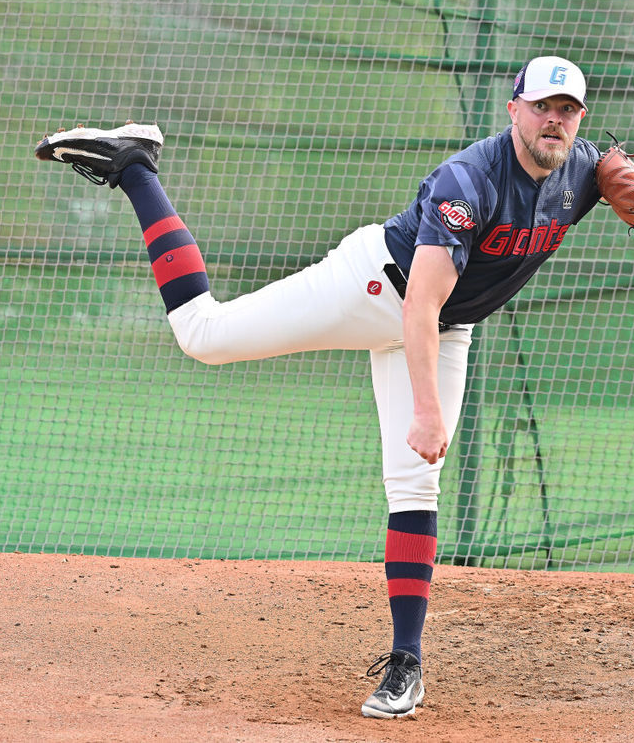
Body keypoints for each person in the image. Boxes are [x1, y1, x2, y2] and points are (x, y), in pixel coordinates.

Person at [36, 56, 603, 719]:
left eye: (566, 109)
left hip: (449, 324)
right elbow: (418, 305)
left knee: (417, 483)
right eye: (541, 106)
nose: (553, 119)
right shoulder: (470, 180)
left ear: (579, 119)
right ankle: (134, 164)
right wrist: (425, 411)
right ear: (514, 110)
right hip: (376, 288)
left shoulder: (585, 168)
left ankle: (405, 664)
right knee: (204, 335)